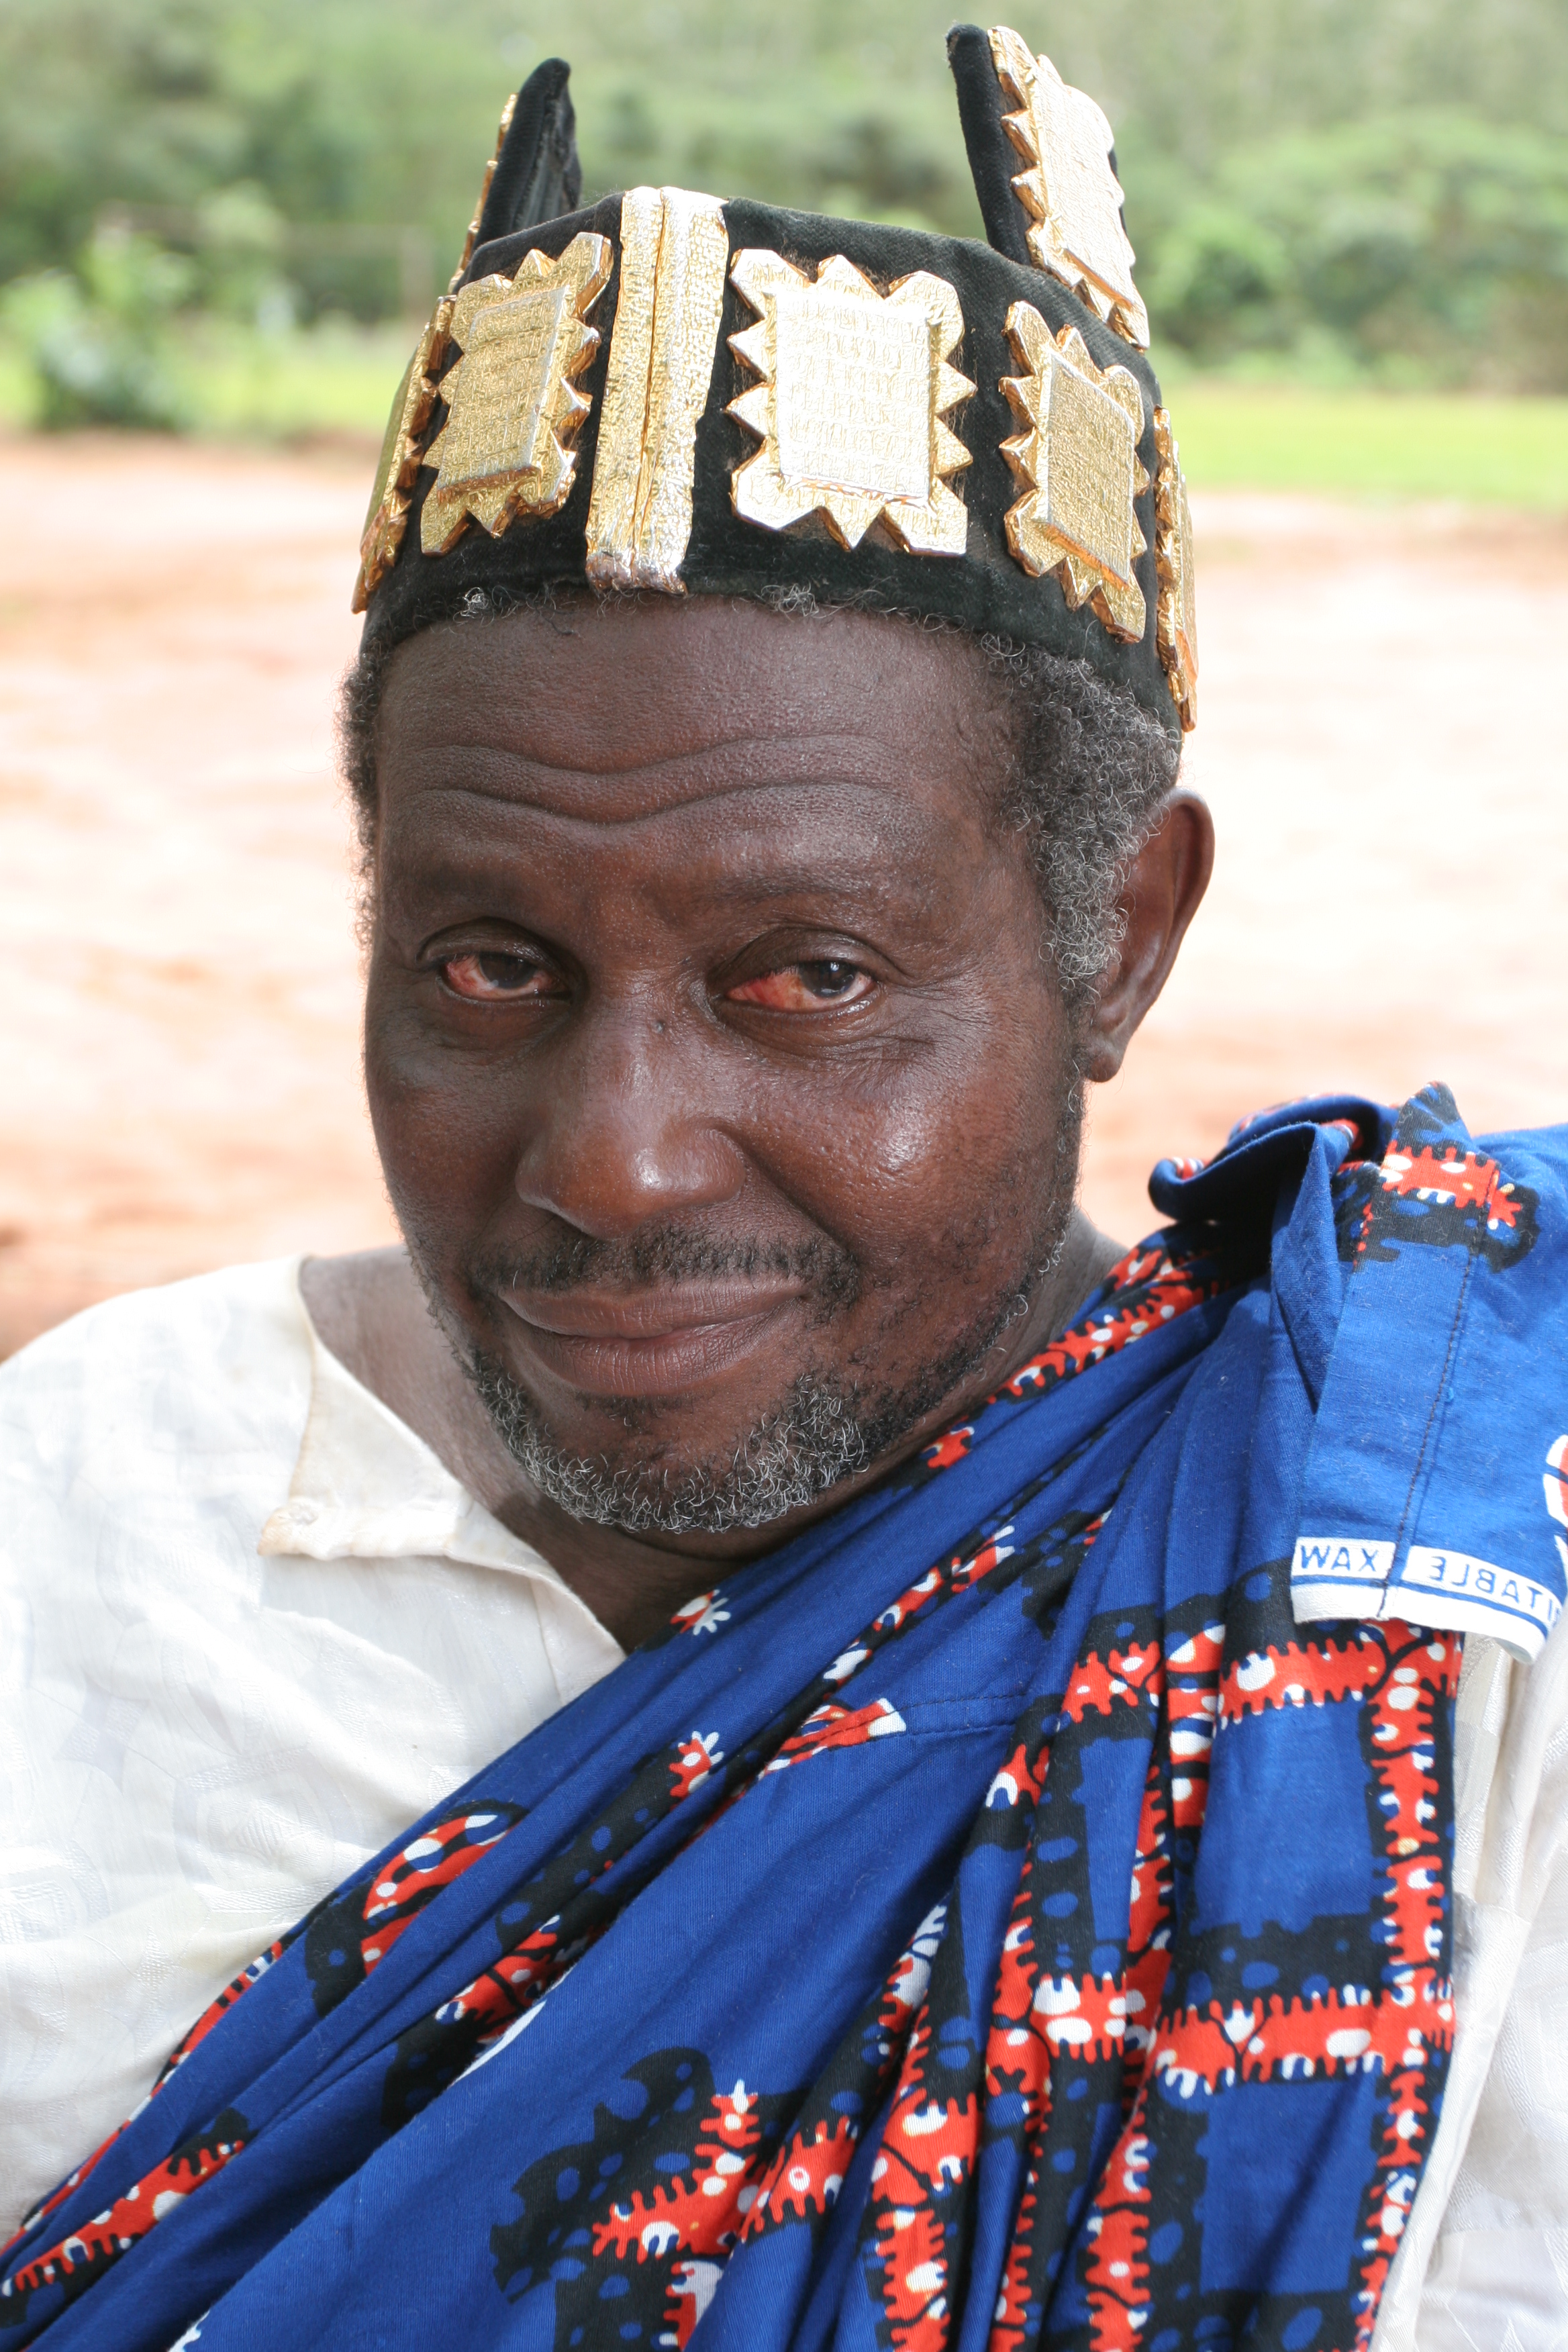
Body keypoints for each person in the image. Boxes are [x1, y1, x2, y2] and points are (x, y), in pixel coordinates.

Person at [1, 27, 1565, 2351]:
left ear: (1120, 940)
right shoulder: (88, 1513)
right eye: (489, 965)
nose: (614, 1159)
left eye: (812, 978)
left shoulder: (1429, 1607)